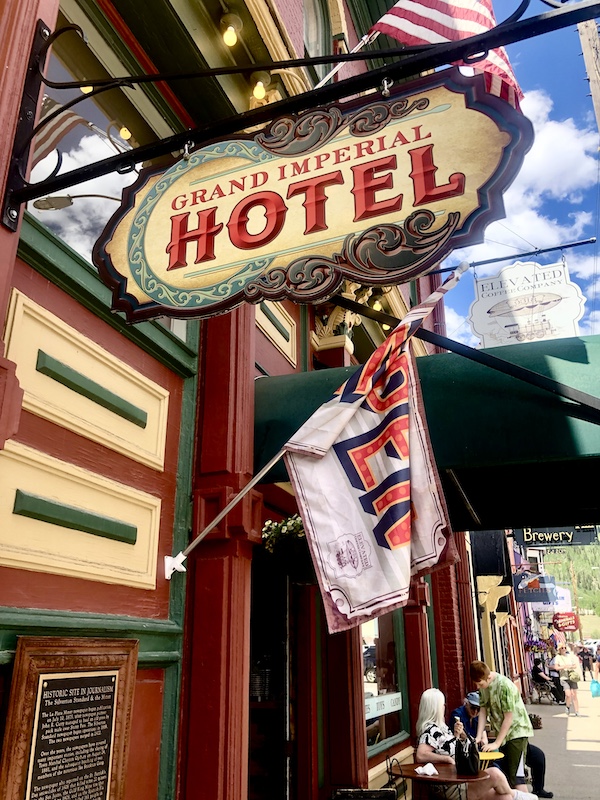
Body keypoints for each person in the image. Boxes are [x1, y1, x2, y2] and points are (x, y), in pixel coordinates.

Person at [415, 688, 537, 800]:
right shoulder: (430, 730)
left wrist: (458, 735)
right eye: (442, 705)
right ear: (435, 708)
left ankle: (514, 795)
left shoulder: (442, 728)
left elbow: (448, 746)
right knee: (494, 773)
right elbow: (421, 755)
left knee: (504, 798)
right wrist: (446, 759)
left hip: (460, 779)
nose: (444, 707)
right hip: (451, 786)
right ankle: (516, 795)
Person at [450, 692, 553, 799]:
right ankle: (516, 793)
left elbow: (483, 735)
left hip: (514, 739)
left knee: (538, 756)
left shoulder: (481, 714)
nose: (476, 711)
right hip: (479, 751)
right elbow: (462, 737)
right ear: (466, 703)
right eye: (473, 708)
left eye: (478, 708)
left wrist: (484, 740)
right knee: (501, 769)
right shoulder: (458, 715)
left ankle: (538, 789)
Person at [470, 661, 533, 793]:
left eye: (480, 683)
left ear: (488, 677)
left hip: (517, 732)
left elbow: (508, 718)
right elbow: (483, 710)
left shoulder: (504, 686)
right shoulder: (483, 687)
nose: (478, 687)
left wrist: (496, 743)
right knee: (507, 778)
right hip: (504, 735)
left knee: (516, 777)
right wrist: (478, 736)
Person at [551, 644, 581, 716]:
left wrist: (571, 666)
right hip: (564, 678)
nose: (564, 649)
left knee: (574, 694)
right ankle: (567, 707)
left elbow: (575, 665)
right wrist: (564, 667)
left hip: (571, 676)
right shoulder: (557, 658)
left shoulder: (569, 656)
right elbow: (556, 667)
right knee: (568, 694)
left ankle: (577, 711)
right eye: (562, 648)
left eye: (565, 648)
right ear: (559, 649)